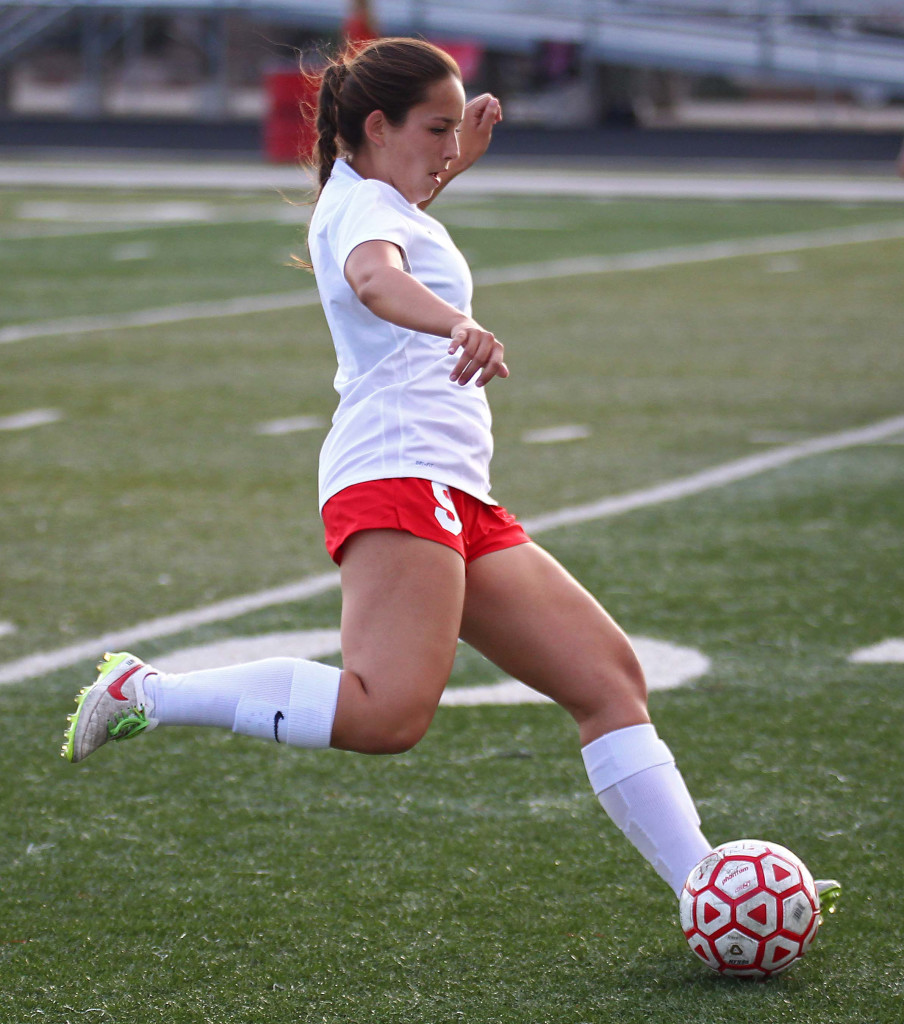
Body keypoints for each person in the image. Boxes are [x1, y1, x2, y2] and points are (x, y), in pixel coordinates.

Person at [60, 39, 836, 915]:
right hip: (398, 474)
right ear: (378, 127)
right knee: (387, 714)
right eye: (433, 129)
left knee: (608, 681)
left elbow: (400, 219)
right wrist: (455, 326)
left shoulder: (372, 193)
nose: (444, 148)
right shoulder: (361, 221)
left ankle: (707, 890)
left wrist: (457, 153)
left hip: (452, 486)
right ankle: (148, 693)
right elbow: (378, 280)